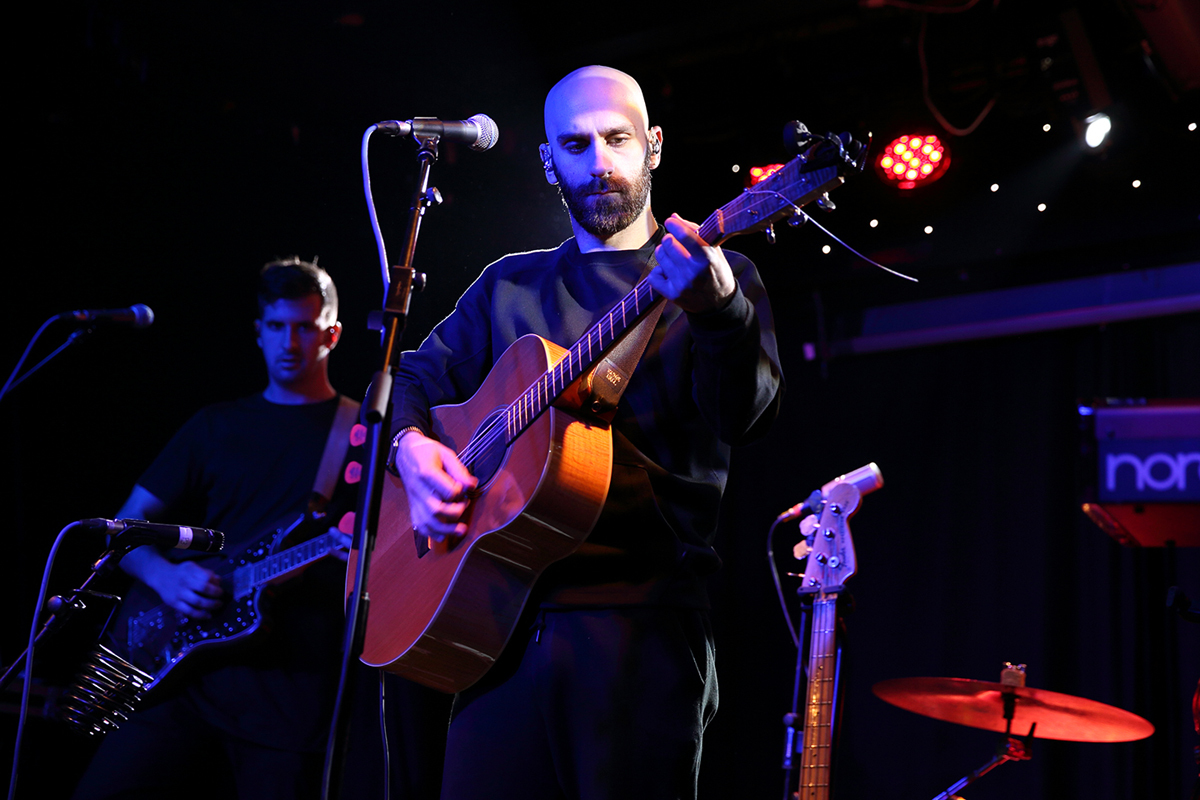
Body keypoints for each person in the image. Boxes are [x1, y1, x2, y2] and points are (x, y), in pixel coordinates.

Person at [389, 66, 784, 799]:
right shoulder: (509, 284)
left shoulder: (724, 274)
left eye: (616, 139)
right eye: (575, 145)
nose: (599, 161)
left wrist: (719, 308)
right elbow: (409, 383)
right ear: (549, 163)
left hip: (642, 624)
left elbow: (747, 418)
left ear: (653, 147)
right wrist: (412, 452)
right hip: (496, 626)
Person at [72, 258, 363, 800]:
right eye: (277, 326)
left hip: (291, 699)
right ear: (258, 332)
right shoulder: (216, 425)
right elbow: (123, 532)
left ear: (333, 334)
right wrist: (166, 578)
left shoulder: (361, 434)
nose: (290, 342)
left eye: (304, 326)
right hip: (181, 680)